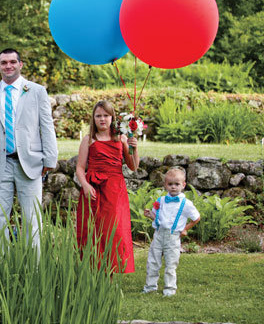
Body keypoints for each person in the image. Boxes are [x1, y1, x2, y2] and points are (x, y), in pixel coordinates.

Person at [0, 48, 58, 250]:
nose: (8, 66)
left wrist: (50, 160)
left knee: (32, 217)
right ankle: (1, 265)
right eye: (4, 62)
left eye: (13, 62)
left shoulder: (37, 91)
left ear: (20, 64)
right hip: (1, 164)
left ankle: (35, 267)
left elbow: (46, 126)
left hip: (30, 162)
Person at [76, 100, 139, 273]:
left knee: (113, 227)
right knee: (93, 228)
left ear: (113, 118)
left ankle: (113, 268)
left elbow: (133, 166)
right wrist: (86, 185)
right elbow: (80, 168)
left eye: (106, 115)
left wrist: (135, 148)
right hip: (94, 188)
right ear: (93, 118)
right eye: (98, 116)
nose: (102, 119)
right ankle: (92, 268)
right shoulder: (89, 140)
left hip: (115, 189)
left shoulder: (121, 138)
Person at [143, 168, 200, 296]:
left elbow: (196, 218)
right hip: (158, 234)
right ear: (165, 185)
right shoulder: (161, 201)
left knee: (171, 263)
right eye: (170, 184)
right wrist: (150, 215)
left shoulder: (186, 204)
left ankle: (169, 289)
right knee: (153, 261)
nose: (173, 187)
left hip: (173, 236)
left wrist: (185, 228)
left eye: (177, 184)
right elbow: (158, 217)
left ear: (183, 185)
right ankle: (150, 287)